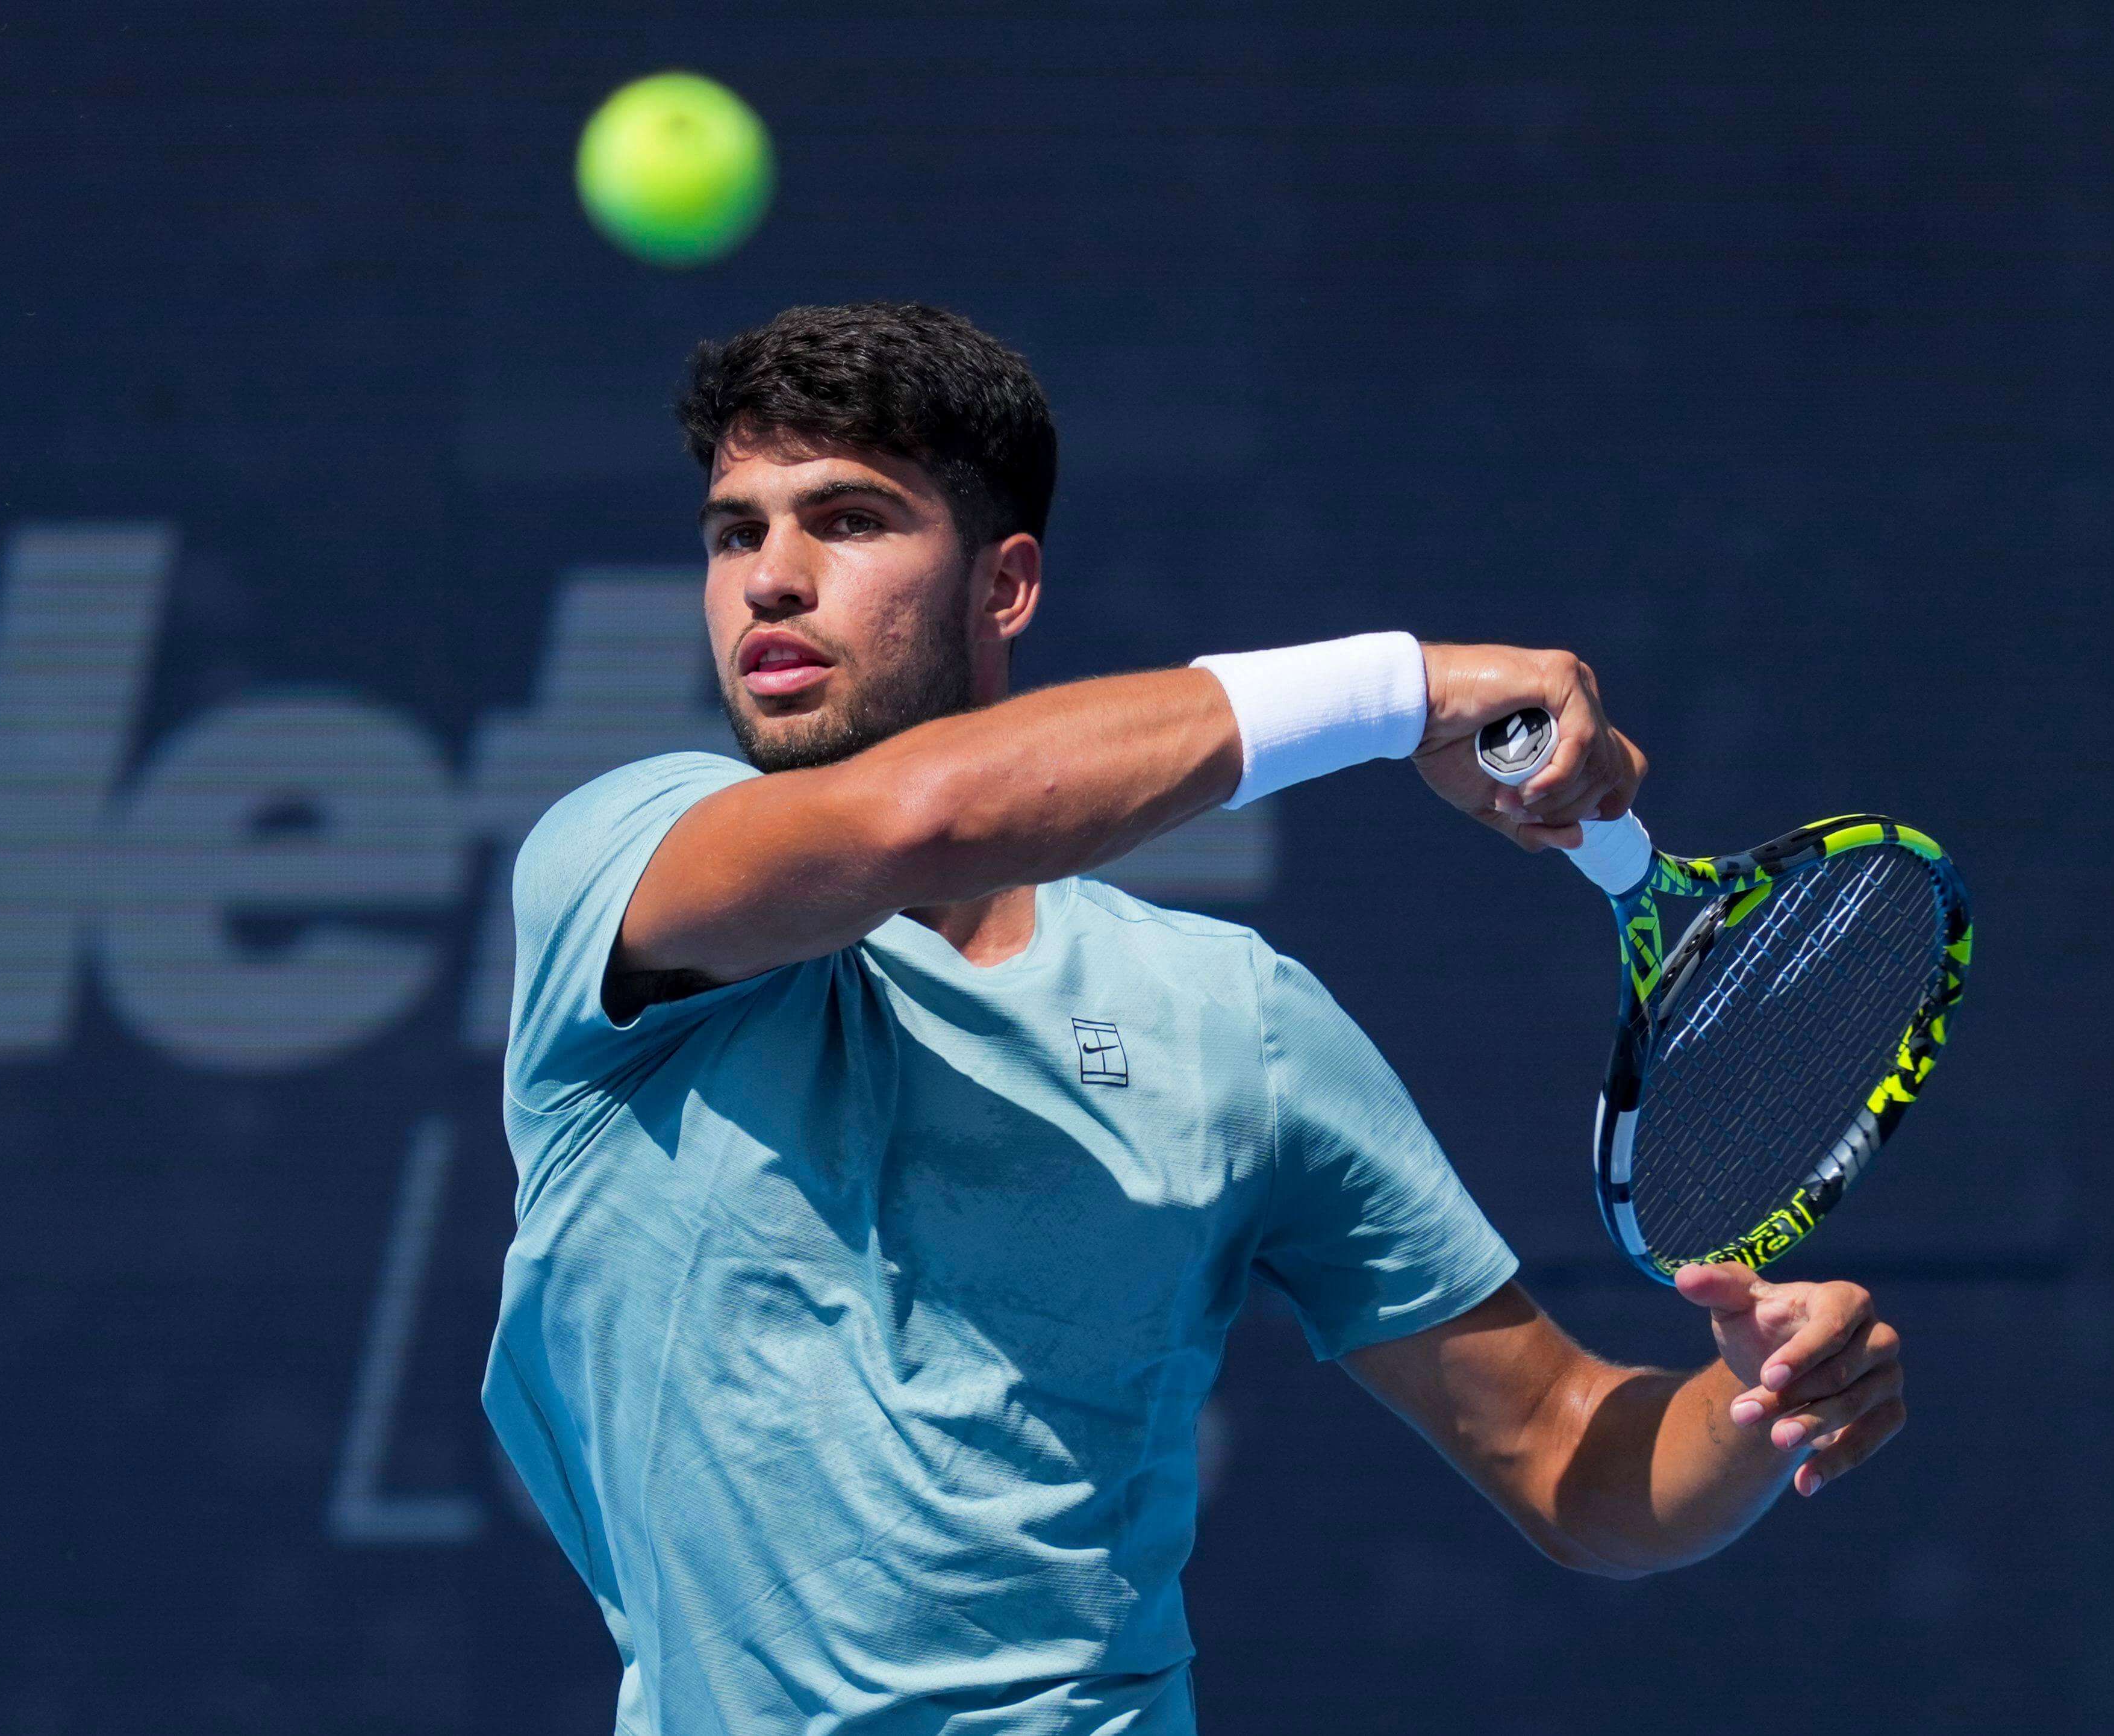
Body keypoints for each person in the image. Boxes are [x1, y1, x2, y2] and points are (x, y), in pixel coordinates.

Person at [479, 302, 1907, 1735]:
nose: (770, 581)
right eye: (737, 532)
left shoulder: (1235, 1021)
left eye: (848, 521)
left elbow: (1560, 1453)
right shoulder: (624, 860)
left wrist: (1750, 1407)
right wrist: (1396, 689)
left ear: (1005, 584)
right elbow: (924, 817)